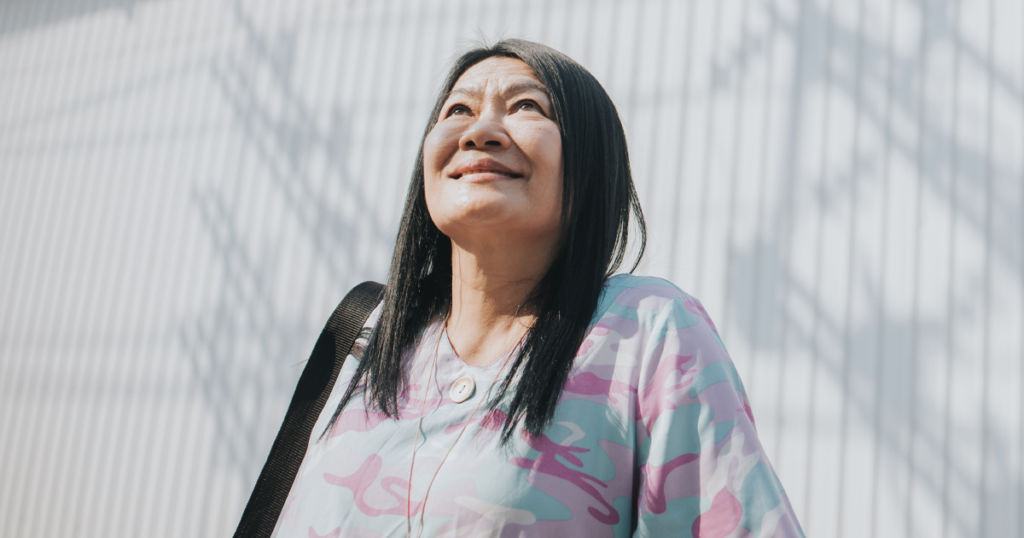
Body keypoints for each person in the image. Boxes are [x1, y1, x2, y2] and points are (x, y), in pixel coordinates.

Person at [271, 39, 804, 538]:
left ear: (590, 167)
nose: (479, 132)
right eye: (458, 110)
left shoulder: (648, 331)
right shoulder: (367, 334)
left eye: (527, 106)